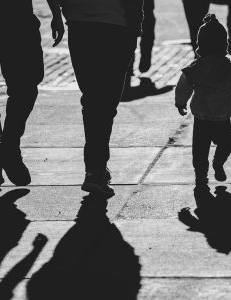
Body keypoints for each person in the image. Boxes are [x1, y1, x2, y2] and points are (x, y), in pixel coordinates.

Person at [59, 0, 143, 196]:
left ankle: (94, 169)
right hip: (117, 24)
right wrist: (136, 27)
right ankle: (95, 170)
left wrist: (63, 12)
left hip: (81, 24)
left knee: (92, 99)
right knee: (106, 101)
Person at [0, 0, 64, 189]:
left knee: (17, 87)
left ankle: (4, 148)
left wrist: (56, 14)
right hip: (13, 20)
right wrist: (56, 13)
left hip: (12, 20)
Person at [175, 14, 231, 187]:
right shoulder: (230, 68)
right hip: (222, 115)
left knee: (199, 151)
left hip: (201, 115)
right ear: (224, 44)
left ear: (200, 44)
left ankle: (201, 176)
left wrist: (180, 102)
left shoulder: (196, 67)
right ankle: (218, 162)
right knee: (227, 142)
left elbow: (184, 84)